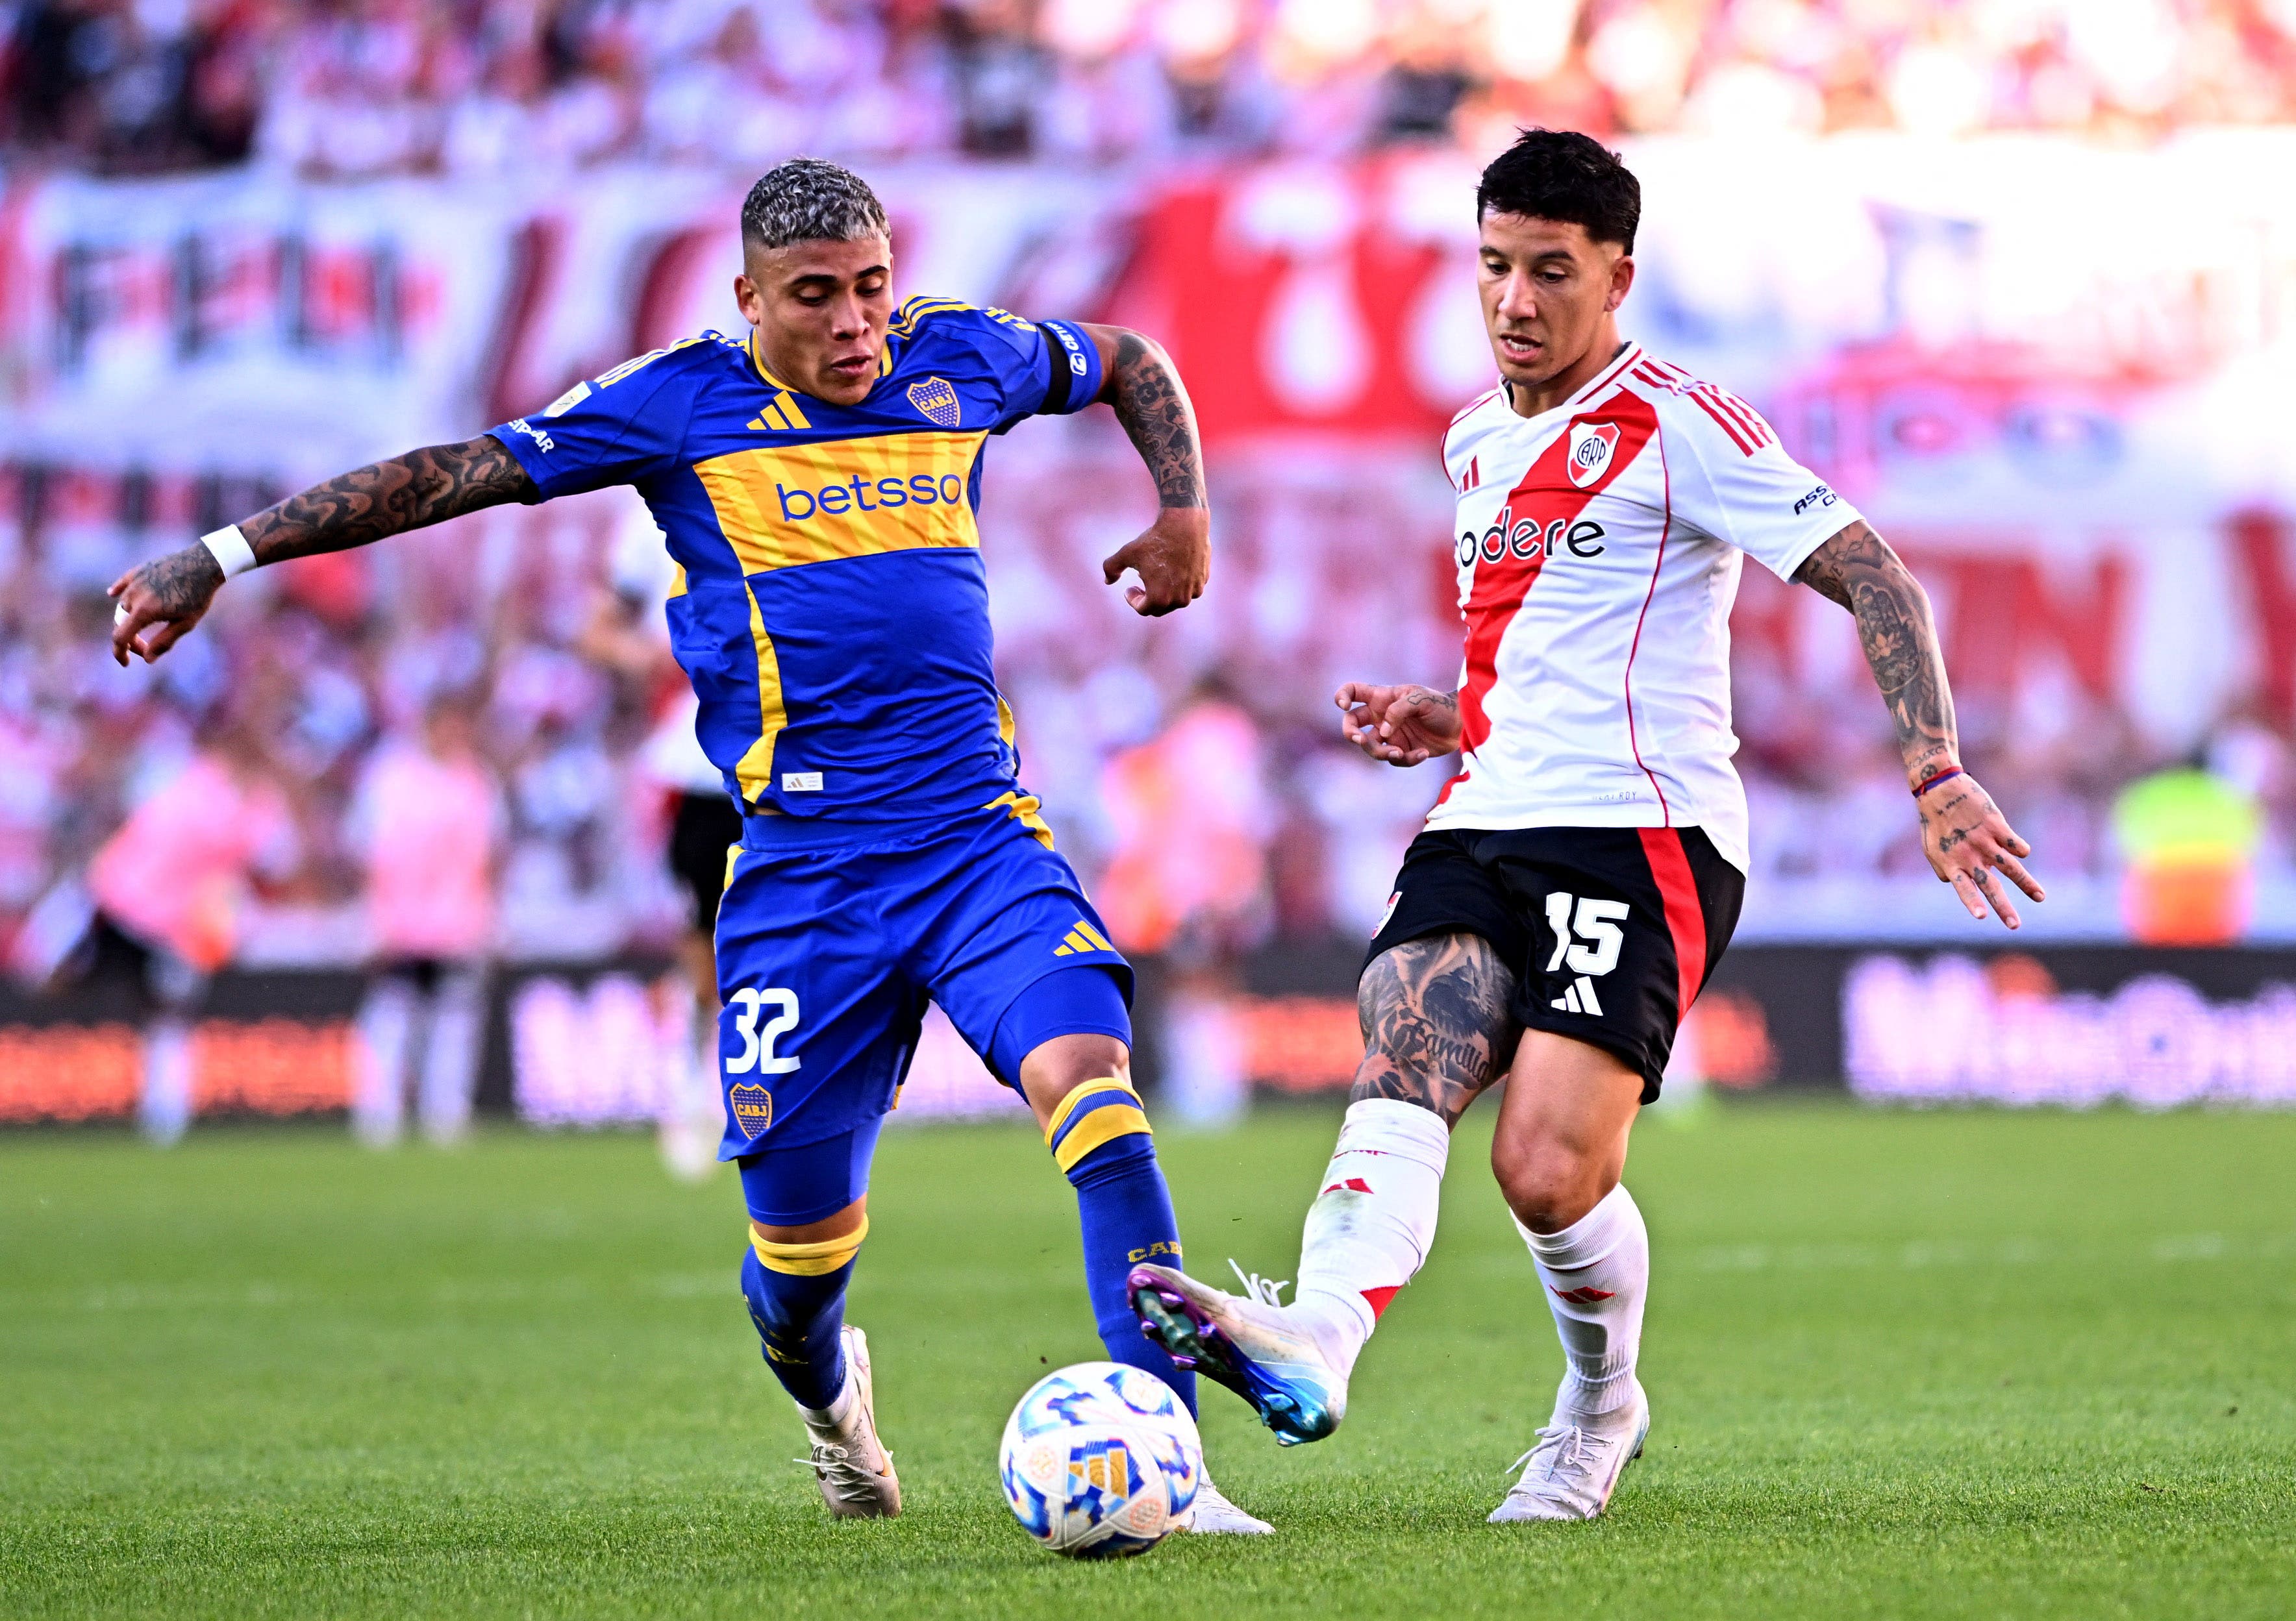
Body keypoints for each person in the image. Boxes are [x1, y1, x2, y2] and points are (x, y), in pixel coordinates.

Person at [106, 158, 1267, 1533]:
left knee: (1094, 1091)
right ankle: (835, 1407)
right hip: (802, 880)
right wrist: (223, 556)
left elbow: (1131, 360)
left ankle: (1176, 1473)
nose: (856, 325)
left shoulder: (961, 354)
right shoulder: (677, 401)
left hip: (975, 843)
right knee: (796, 1269)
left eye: (872, 287)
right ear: (749, 300)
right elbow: (459, 473)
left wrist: (1185, 508)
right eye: (817, 298)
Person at [1125, 129, 2046, 1524]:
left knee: (1545, 1171)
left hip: (1641, 831)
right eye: (1493, 264)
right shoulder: (1474, 438)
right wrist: (1447, 714)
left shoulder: (1684, 423)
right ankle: (1317, 1331)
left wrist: (1934, 770)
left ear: (1615, 275)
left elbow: (1875, 576)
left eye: (1549, 271)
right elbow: (1542, 641)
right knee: (1408, 1045)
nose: (1513, 298)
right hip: (1483, 810)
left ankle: (1601, 1404)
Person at [576, 501, 745, 1180]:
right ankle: (689, 1087)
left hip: (795, 754)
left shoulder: (798, 468)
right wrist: (648, 655)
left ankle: (783, 1098)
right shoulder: (649, 517)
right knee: (702, 945)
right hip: (696, 764)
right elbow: (597, 630)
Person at [347, 693, 505, 1148]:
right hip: (400, 923)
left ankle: (447, 1116)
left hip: (458, 924)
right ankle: (379, 1116)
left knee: (454, 1022)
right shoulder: (391, 778)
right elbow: (369, 852)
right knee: (394, 1017)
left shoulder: (477, 781)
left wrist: (491, 918)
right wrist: (372, 919)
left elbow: (491, 855)